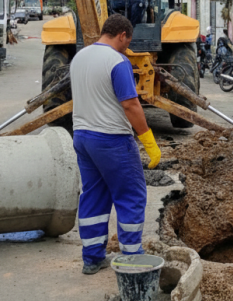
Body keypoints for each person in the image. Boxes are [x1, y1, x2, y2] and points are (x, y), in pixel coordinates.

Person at [70, 14, 162, 275]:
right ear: (122, 35)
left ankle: (92, 257)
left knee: (94, 195)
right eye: (127, 42)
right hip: (111, 139)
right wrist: (148, 141)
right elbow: (130, 104)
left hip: (82, 137)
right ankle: (132, 258)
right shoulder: (117, 61)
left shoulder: (80, 57)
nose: (127, 47)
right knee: (131, 195)